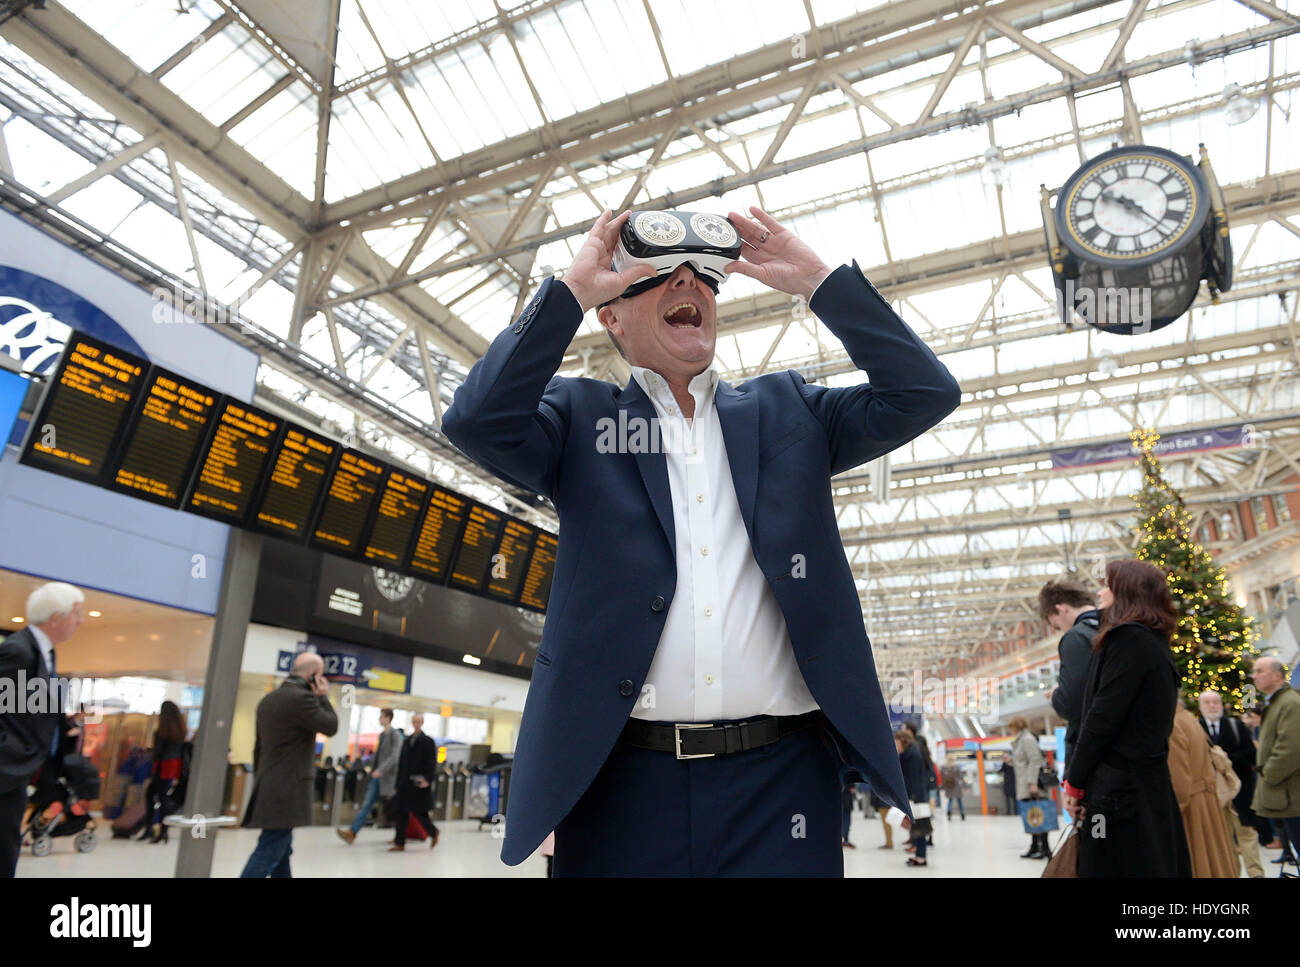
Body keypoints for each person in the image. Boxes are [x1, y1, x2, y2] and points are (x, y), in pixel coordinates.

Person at [442, 207, 960, 876]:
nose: (690, 284)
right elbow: (476, 421)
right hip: (621, 786)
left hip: (783, 785)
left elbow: (924, 391)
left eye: (704, 279)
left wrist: (817, 281)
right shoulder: (581, 421)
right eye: (660, 275)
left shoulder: (789, 411)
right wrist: (568, 293)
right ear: (613, 315)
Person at [1063, 559, 1192, 878]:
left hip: (1117, 794)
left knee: (1104, 860)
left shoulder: (1127, 639)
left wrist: (1075, 783)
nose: (1099, 591)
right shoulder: (1154, 641)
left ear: (1127, 592)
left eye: (1107, 585)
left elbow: (1101, 719)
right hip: (1147, 787)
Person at [0, 582, 84, 878]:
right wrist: (12, 755)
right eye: (76, 613)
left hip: (20, 773)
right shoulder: (18, 651)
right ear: (55, 617)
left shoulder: (44, 653)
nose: (81, 620)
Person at [240, 652, 338, 877]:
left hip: (269, 783)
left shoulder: (268, 699)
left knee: (281, 849)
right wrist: (323, 697)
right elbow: (330, 726)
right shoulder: (301, 699)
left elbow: (259, 749)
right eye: (320, 676)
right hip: (287, 788)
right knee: (269, 851)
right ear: (313, 676)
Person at [1198, 689, 1264, 877]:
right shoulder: (1196, 728)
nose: (1212, 706)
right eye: (1207, 703)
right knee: (1223, 839)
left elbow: (1251, 754)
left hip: (1240, 791)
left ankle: (1256, 873)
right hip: (1214, 794)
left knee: (1248, 835)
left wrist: (1226, 760)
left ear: (1221, 705)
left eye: (1215, 702)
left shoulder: (1235, 726)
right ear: (1201, 707)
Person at [1168, 706, 1237, 877]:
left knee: (1200, 864)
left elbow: (1179, 785)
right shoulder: (1186, 717)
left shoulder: (1170, 723)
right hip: (1206, 804)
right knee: (1215, 862)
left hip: (1191, 811)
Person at [1039, 579, 1100, 770]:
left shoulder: (1077, 637)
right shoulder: (1117, 627)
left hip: (1096, 756)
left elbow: (1072, 704)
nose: (1061, 631)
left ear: (1061, 608)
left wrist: (1058, 694)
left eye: (1056, 625)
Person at [1249, 656, 1300, 862]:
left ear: (1278, 675)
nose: (1255, 676)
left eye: (1260, 671)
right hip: (1287, 793)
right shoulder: (1278, 703)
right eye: (1254, 671)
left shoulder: (1289, 703)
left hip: (1292, 793)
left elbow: (1291, 748)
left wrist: (1269, 774)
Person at [338, 708, 403, 845]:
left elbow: (394, 756)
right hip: (376, 777)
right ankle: (352, 832)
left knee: (393, 808)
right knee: (367, 804)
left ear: (388, 718)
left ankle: (400, 834)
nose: (380, 719)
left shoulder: (395, 735)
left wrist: (381, 770)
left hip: (388, 779)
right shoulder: (382, 735)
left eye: (382, 717)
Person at [140, 700, 189, 844]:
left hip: (162, 766)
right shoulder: (180, 730)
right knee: (163, 798)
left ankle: (151, 829)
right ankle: (163, 831)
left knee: (152, 796)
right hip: (173, 766)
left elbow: (159, 752)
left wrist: (150, 750)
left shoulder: (162, 732)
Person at [389, 712, 439, 852]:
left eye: (418, 721)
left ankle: (433, 833)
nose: (416, 723)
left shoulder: (428, 741)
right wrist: (398, 783)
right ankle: (400, 842)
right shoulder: (407, 740)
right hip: (405, 784)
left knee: (420, 813)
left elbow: (431, 763)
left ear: (422, 722)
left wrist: (428, 779)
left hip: (419, 784)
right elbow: (402, 763)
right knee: (401, 812)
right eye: (414, 721)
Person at [1009, 716, 1049, 859]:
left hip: (1031, 784)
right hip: (1025, 783)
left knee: (1039, 815)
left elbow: (1035, 760)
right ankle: (1034, 846)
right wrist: (1010, 761)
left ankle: (1044, 848)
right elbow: (1023, 762)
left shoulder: (1027, 739)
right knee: (1031, 815)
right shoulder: (1021, 740)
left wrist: (1032, 783)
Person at [896, 729, 930, 867]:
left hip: (916, 797)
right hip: (913, 796)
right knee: (915, 828)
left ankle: (921, 858)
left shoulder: (913, 756)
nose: (895, 745)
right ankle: (918, 855)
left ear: (903, 741)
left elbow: (915, 780)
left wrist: (912, 797)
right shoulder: (907, 755)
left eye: (897, 742)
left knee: (920, 829)